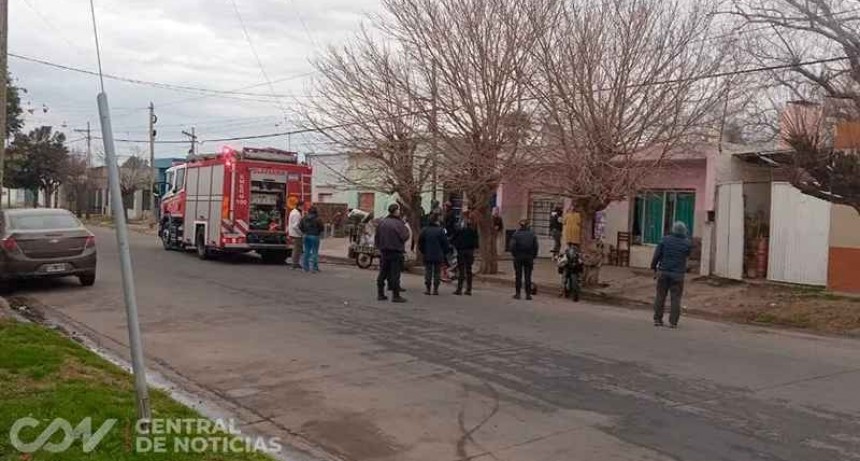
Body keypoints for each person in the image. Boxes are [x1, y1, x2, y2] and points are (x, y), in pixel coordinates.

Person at [651, 221, 692, 328]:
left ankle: (658, 319)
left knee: (660, 296)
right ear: (684, 231)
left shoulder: (665, 240)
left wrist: (653, 267)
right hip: (678, 275)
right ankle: (673, 322)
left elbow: (657, 255)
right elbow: (687, 256)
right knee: (676, 298)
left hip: (663, 272)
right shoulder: (687, 243)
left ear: (673, 229)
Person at [375, 204, 411, 303]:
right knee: (395, 274)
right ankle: (396, 295)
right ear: (395, 211)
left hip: (384, 251)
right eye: (398, 210)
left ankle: (380, 294)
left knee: (382, 273)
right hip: (396, 251)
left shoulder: (382, 223)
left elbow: (377, 237)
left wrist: (379, 247)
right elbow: (404, 236)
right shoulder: (399, 224)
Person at [417, 215, 449, 295]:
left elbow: (420, 243)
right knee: (437, 272)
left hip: (427, 254)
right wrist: (444, 252)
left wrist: (423, 251)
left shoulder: (425, 230)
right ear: (436, 221)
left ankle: (428, 289)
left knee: (428, 271)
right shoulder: (441, 230)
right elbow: (445, 243)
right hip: (438, 254)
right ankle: (435, 289)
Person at [508, 219, 539, 300]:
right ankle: (528, 294)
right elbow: (536, 246)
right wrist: (533, 256)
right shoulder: (532, 234)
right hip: (528, 257)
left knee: (518, 276)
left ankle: (518, 294)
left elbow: (512, 246)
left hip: (518, 257)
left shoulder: (516, 234)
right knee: (528, 276)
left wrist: (514, 255)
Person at [452, 214, 480, 296]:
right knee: (469, 270)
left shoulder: (459, 231)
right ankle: (468, 289)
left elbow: (454, 240)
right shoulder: (473, 232)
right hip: (469, 251)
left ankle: (459, 289)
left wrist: (457, 247)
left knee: (461, 270)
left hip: (461, 251)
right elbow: (476, 243)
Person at [298, 206, 324, 273]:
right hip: (315, 236)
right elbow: (322, 227)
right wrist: (319, 232)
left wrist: (304, 232)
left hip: (306, 235)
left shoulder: (304, 218)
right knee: (314, 252)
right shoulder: (318, 219)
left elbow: (300, 226)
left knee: (306, 251)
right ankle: (314, 268)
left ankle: (305, 268)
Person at [288, 201, 304, 269]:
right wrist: (301, 233)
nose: (303, 208)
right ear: (299, 206)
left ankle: (295, 263)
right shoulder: (296, 214)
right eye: (303, 206)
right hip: (296, 234)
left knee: (297, 249)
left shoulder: (293, 212)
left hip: (294, 233)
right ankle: (295, 263)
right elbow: (295, 226)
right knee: (297, 249)